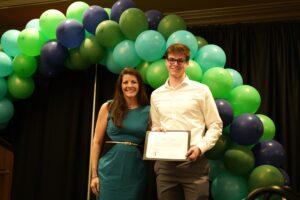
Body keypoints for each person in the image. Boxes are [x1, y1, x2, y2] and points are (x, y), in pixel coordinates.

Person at [150, 43, 223, 200]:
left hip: (194, 163)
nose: (175, 64)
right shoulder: (156, 95)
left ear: (187, 63)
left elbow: (215, 125)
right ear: (166, 61)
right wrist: (157, 133)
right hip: (165, 167)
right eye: (171, 60)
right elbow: (156, 126)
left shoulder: (201, 90)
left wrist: (200, 148)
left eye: (180, 60)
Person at [90, 67, 150, 200]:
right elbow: (97, 142)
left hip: (135, 170)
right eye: (125, 82)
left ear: (139, 85)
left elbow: (154, 140)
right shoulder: (108, 107)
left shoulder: (149, 111)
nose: (130, 86)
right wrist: (94, 175)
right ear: (120, 86)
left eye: (134, 82)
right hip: (109, 169)